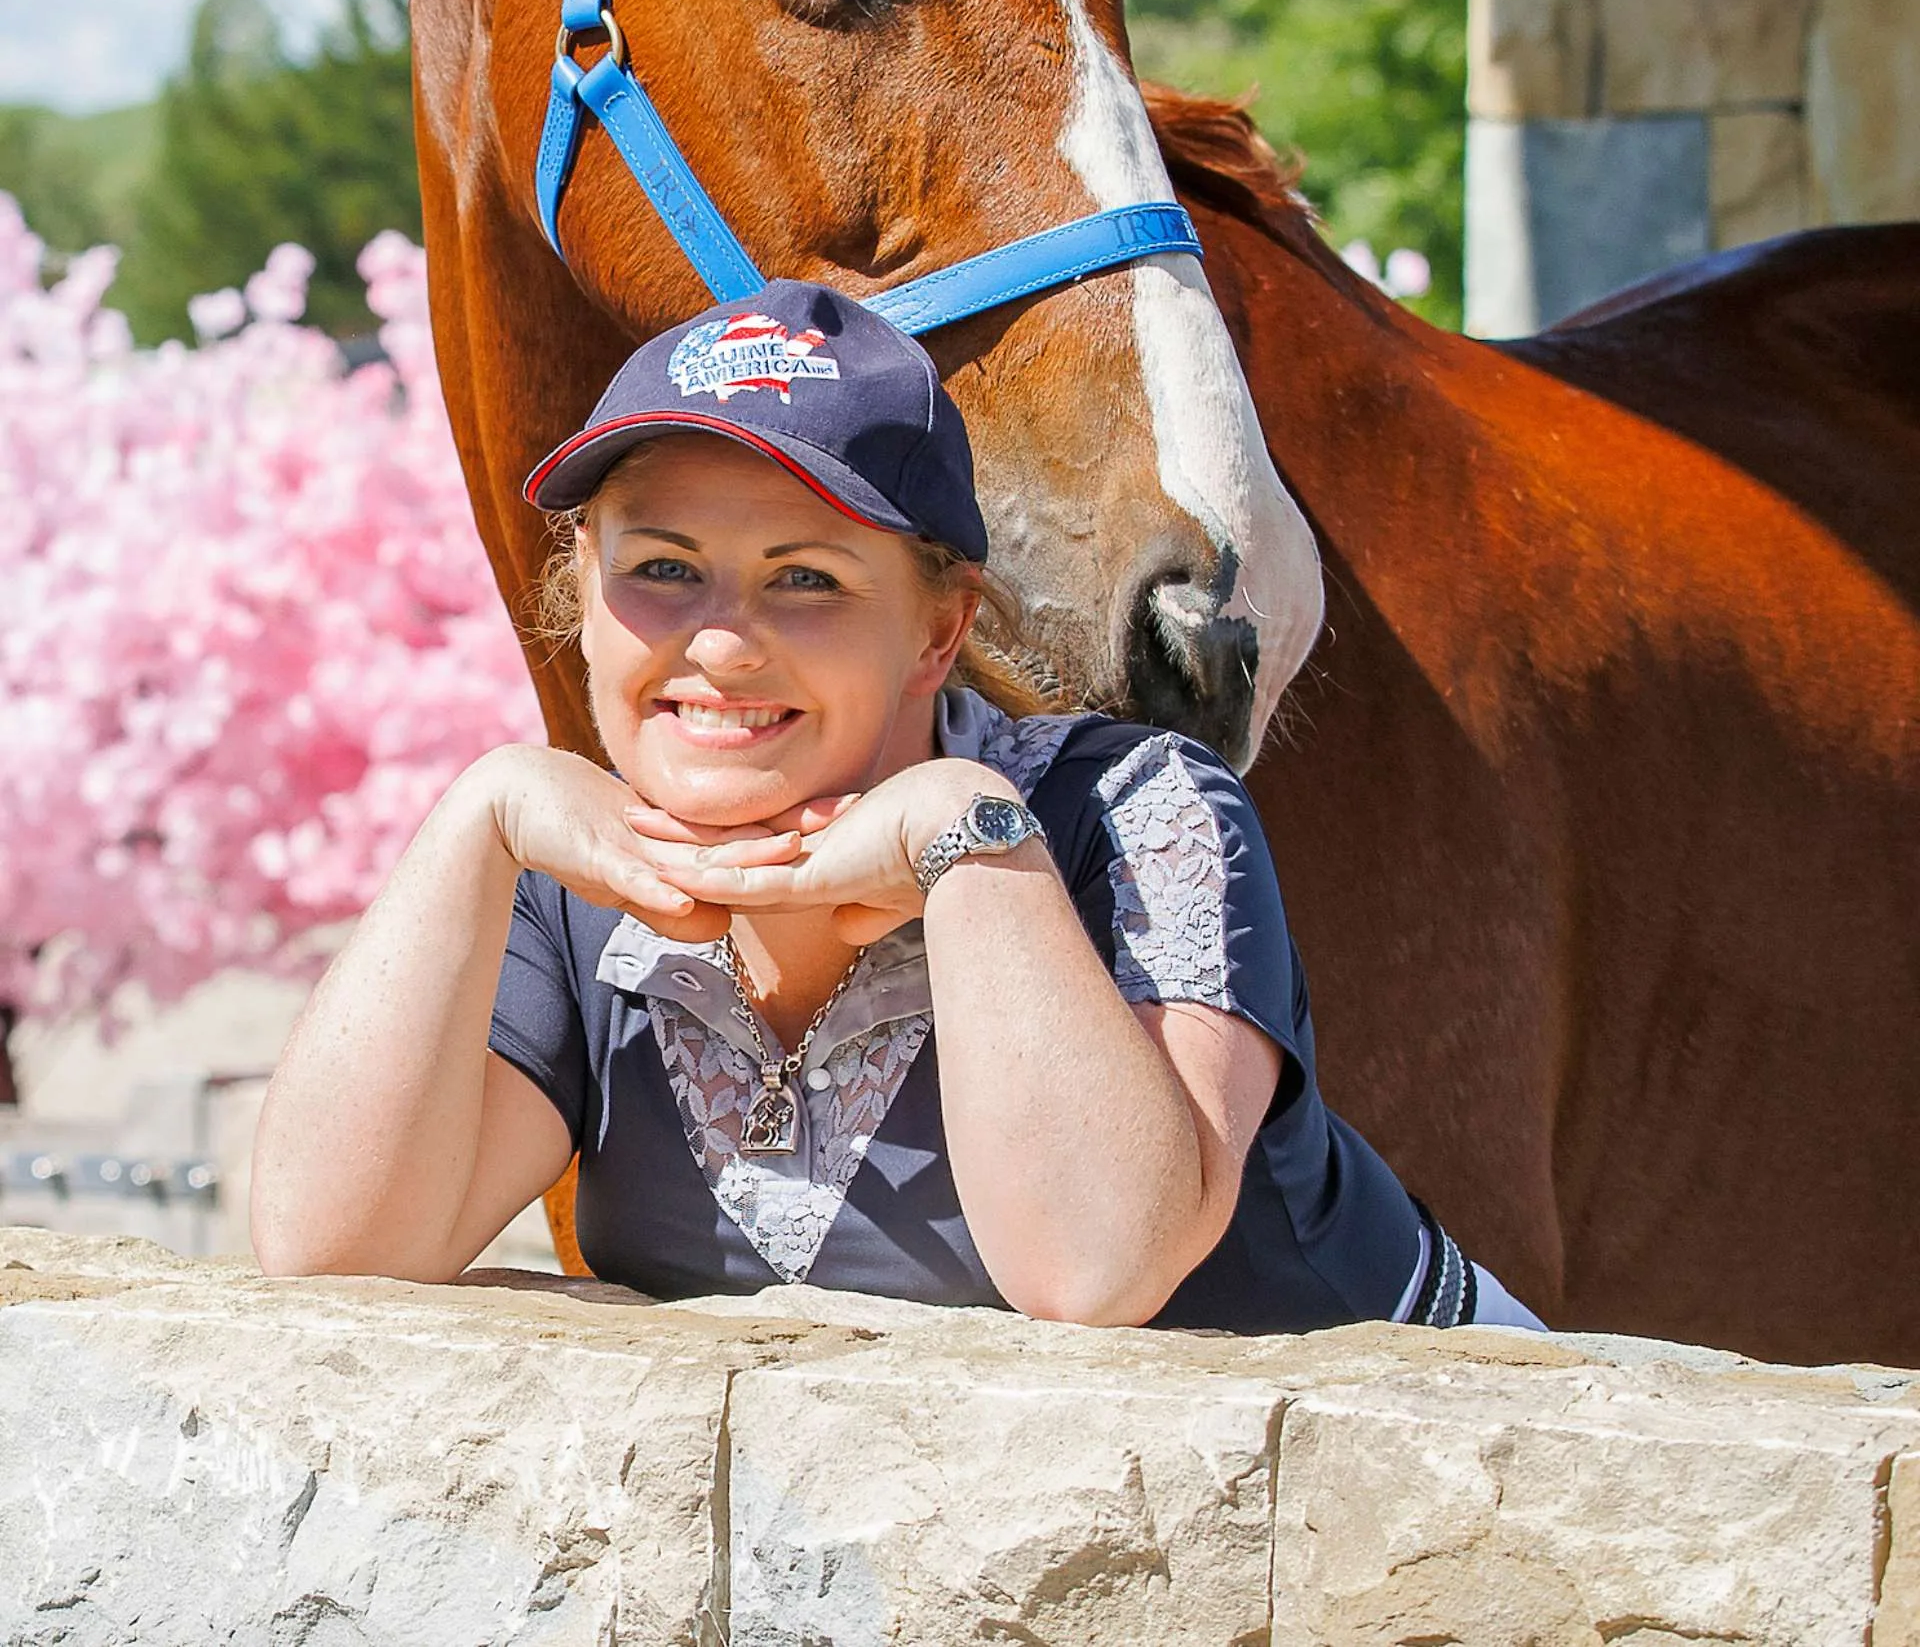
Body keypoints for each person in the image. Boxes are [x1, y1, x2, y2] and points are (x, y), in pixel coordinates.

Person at [251, 280, 1542, 1333]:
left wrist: (967, 836)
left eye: (805, 577)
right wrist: (476, 816)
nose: (721, 642)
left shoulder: (1136, 812)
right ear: (579, 594)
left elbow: (1097, 1269)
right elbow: (334, 1243)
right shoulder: (567, 884)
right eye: (660, 569)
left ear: (940, 627)